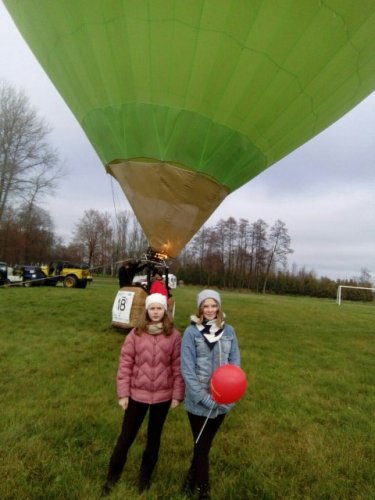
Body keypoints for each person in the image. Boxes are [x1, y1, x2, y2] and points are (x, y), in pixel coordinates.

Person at [102, 293, 184, 496]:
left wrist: (177, 394)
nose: (155, 312)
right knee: (126, 437)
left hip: (163, 396)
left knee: (154, 438)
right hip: (137, 394)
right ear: (146, 310)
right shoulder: (135, 334)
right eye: (152, 308)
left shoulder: (174, 335)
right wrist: (123, 393)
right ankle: (112, 477)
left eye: (159, 308)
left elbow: (177, 366)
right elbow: (125, 365)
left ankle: (144, 478)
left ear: (165, 310)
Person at [181, 289, 241, 500]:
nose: (210, 310)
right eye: (205, 306)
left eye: (213, 305)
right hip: (198, 401)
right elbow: (187, 370)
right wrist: (204, 398)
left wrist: (228, 396)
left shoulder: (229, 331)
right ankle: (203, 491)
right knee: (201, 445)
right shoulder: (191, 333)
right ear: (200, 308)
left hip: (223, 402)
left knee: (203, 445)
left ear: (219, 307)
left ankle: (189, 482)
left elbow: (235, 364)